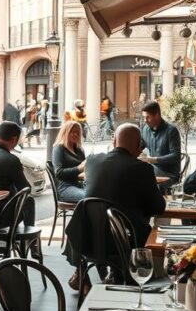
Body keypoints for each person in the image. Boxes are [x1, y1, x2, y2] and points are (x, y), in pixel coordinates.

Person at [64, 124, 165, 288]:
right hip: (126, 241)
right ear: (138, 145)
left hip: (89, 237)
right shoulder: (143, 168)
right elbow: (159, 208)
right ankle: (121, 275)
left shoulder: (92, 161)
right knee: (150, 230)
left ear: (114, 141)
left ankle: (91, 272)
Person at [139, 100, 182, 183]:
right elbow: (139, 147)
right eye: (144, 117)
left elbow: (176, 156)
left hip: (170, 174)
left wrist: (152, 160)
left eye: (148, 117)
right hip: (153, 169)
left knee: (141, 178)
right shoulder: (145, 129)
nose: (145, 120)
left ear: (157, 115)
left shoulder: (171, 131)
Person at [51, 121, 86, 203]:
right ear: (66, 132)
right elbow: (58, 173)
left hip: (80, 184)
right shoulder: (59, 148)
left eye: (78, 133)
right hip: (65, 188)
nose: (76, 134)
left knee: (101, 193)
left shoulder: (79, 150)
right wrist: (79, 169)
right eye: (73, 132)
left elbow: (84, 170)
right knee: (90, 197)